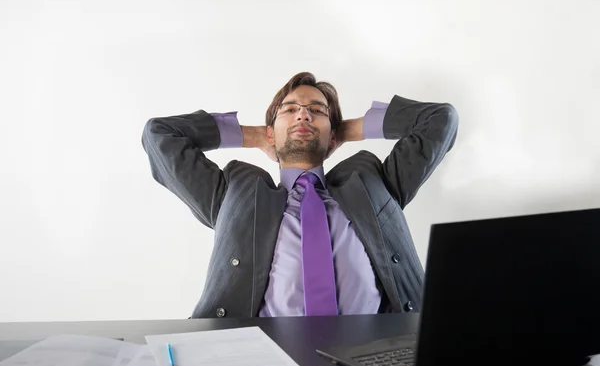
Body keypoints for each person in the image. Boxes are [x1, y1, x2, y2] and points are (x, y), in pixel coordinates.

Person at [142, 72, 458, 319]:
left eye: (316, 112)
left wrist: (348, 130)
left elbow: (440, 119)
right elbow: (160, 135)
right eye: (290, 110)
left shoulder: (374, 181)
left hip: (377, 353)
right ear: (270, 131)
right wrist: (254, 136)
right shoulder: (235, 193)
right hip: (267, 360)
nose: (303, 116)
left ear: (332, 134)